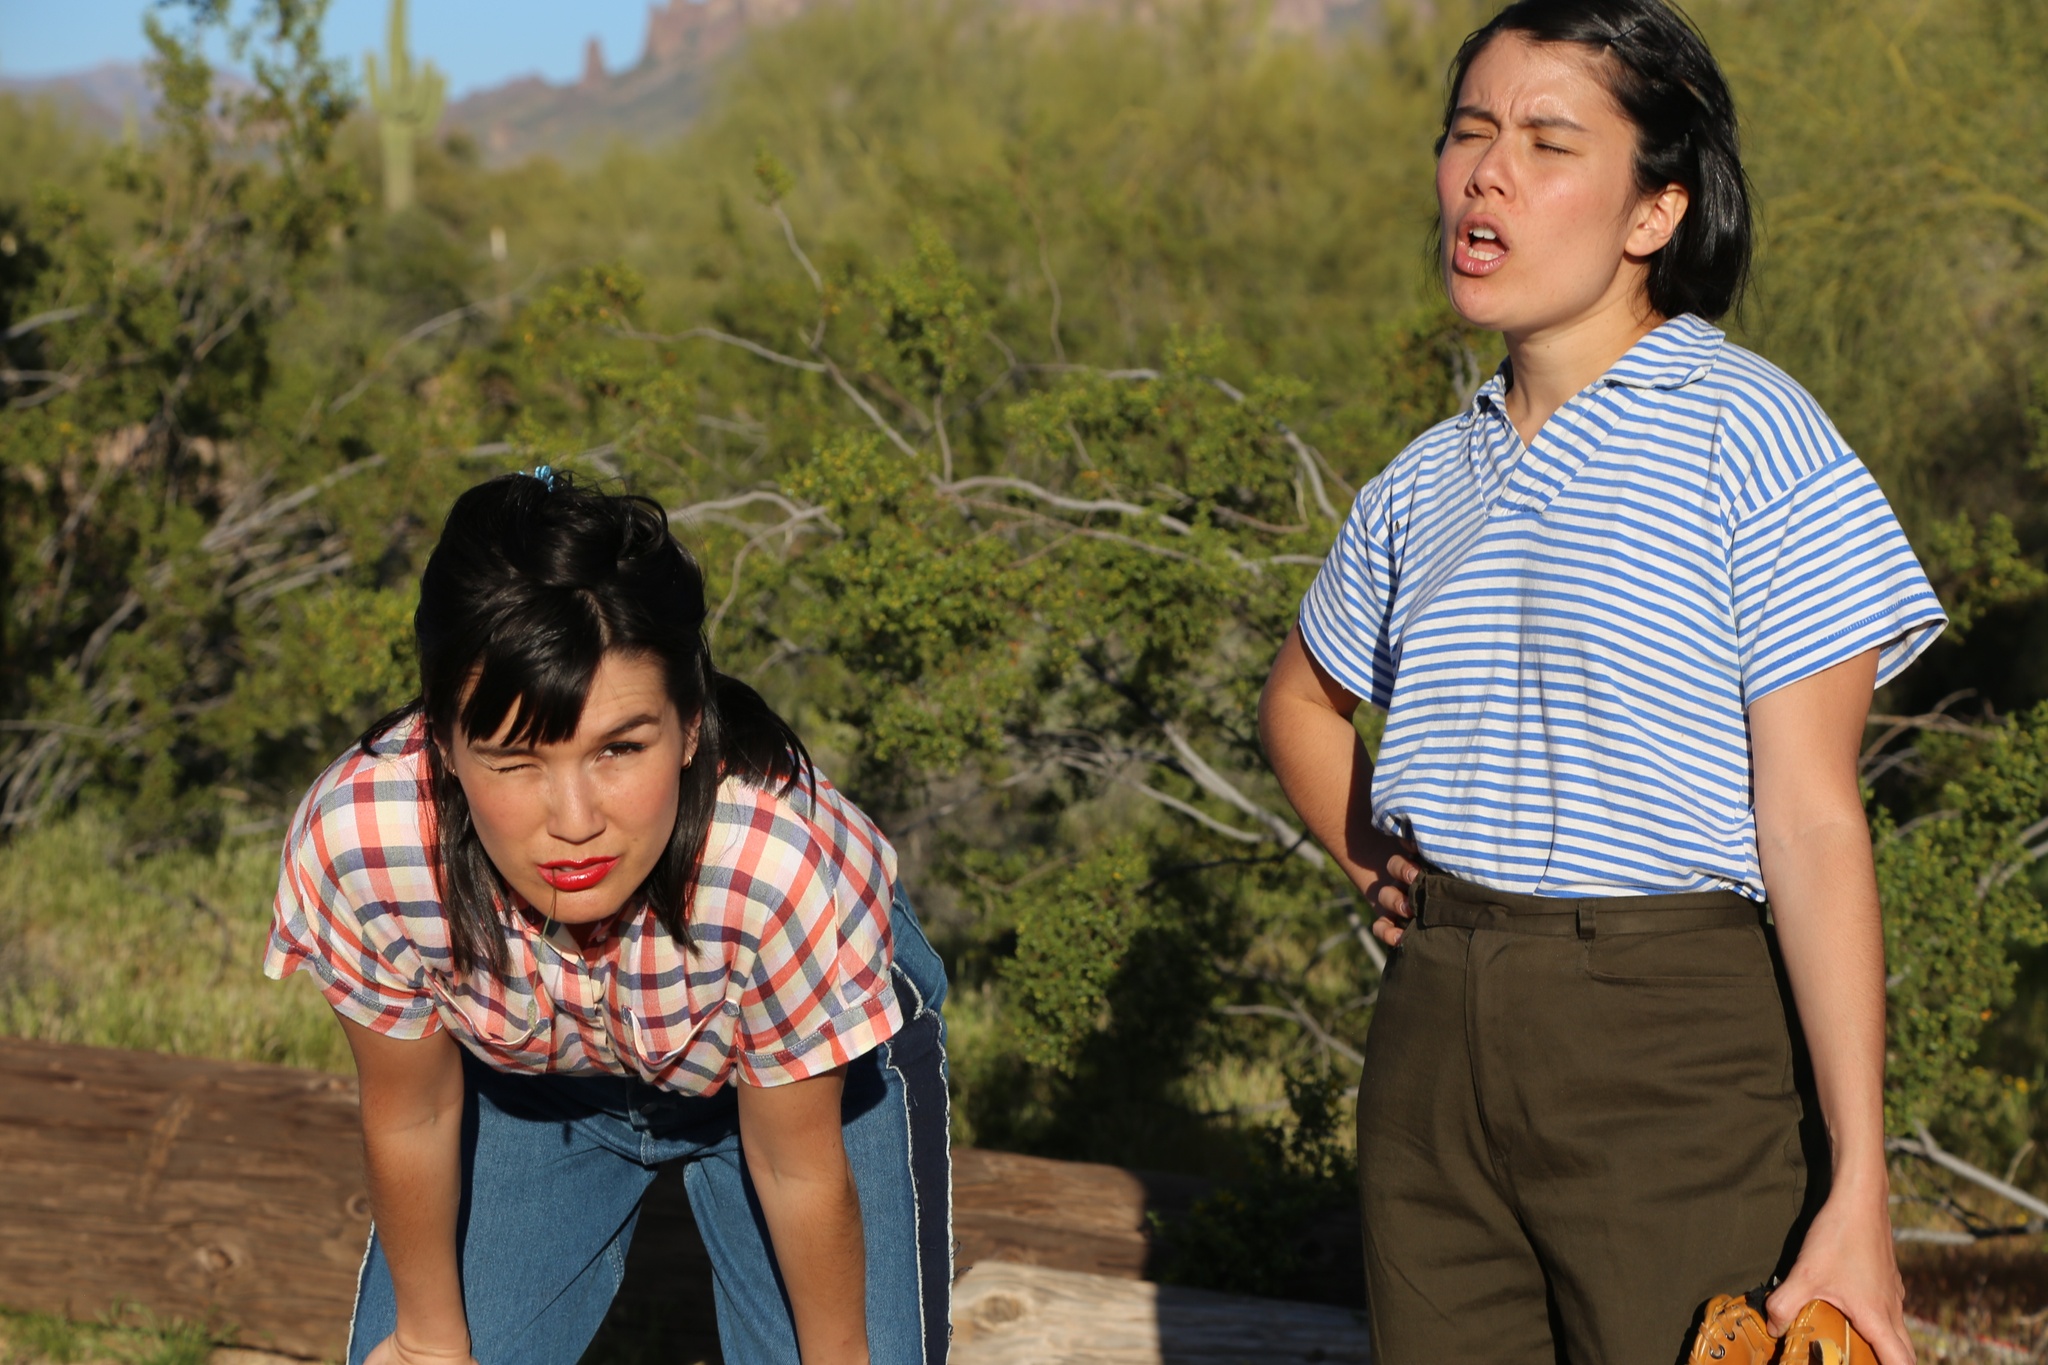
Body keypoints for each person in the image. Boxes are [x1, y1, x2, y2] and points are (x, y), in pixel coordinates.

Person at [1257, 3, 1942, 1363]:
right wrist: (1372, 859)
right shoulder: (1421, 480)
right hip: (1434, 1039)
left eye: (1548, 141)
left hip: (1672, 1046)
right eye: (1469, 133)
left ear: (1655, 213)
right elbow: (1297, 698)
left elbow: (1810, 821)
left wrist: (1860, 1182)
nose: (1485, 175)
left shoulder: (1750, 431)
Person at [265, 470, 951, 1365]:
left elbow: (794, 1164)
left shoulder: (773, 864)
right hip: (534, 1085)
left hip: (797, 1094)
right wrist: (432, 1339)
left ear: (692, 722)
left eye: (620, 748)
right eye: (515, 760)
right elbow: (413, 1111)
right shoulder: (365, 841)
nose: (576, 818)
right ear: (440, 738)